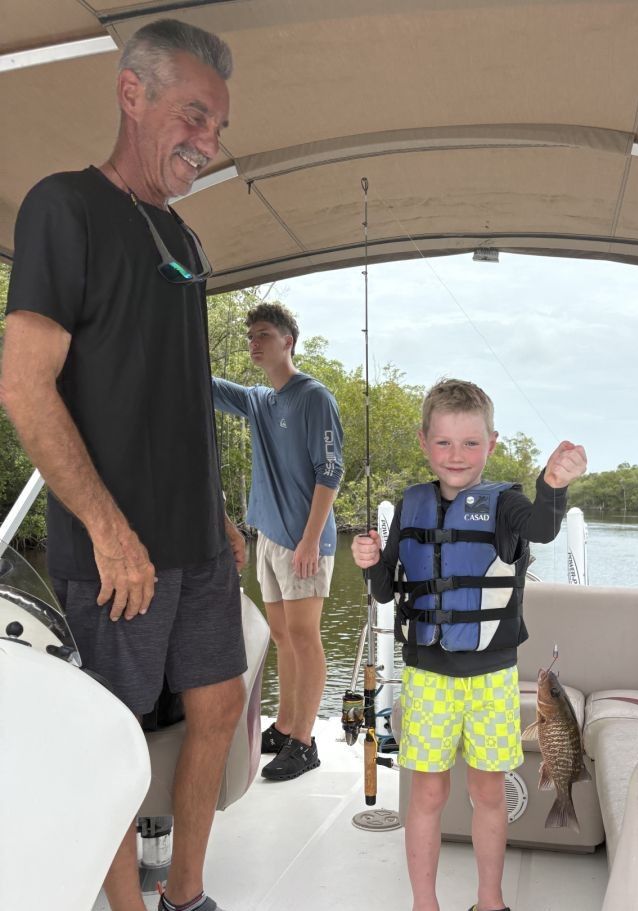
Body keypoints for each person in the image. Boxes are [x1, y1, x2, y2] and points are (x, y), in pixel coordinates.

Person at [0, 20, 246, 911]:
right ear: (131, 95)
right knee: (113, 734)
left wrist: (215, 512)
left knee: (218, 707)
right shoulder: (63, 207)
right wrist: (107, 529)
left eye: (218, 126)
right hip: (119, 554)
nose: (208, 143)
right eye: (193, 116)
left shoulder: (184, 236)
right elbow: (25, 387)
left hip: (199, 545)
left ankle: (186, 893)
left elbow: (178, 395)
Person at [351, 379, 587, 911]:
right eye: (444, 443)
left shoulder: (506, 507)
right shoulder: (411, 506)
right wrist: (369, 564)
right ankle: (424, 903)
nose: (456, 456)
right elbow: (387, 590)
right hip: (427, 676)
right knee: (427, 795)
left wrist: (552, 483)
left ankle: (490, 901)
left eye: (471, 443)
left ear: (493, 444)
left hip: (491, 678)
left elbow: (545, 528)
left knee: (486, 793)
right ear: (423, 442)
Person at [212, 302, 344, 780]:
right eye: (251, 336)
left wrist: (310, 542)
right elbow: (203, 387)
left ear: (288, 341)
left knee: (306, 638)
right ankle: (285, 726)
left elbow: (332, 471)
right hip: (268, 538)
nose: (254, 343)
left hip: (303, 542)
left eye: (263, 334)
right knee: (283, 637)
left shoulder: (314, 397)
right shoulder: (259, 401)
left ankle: (305, 743)